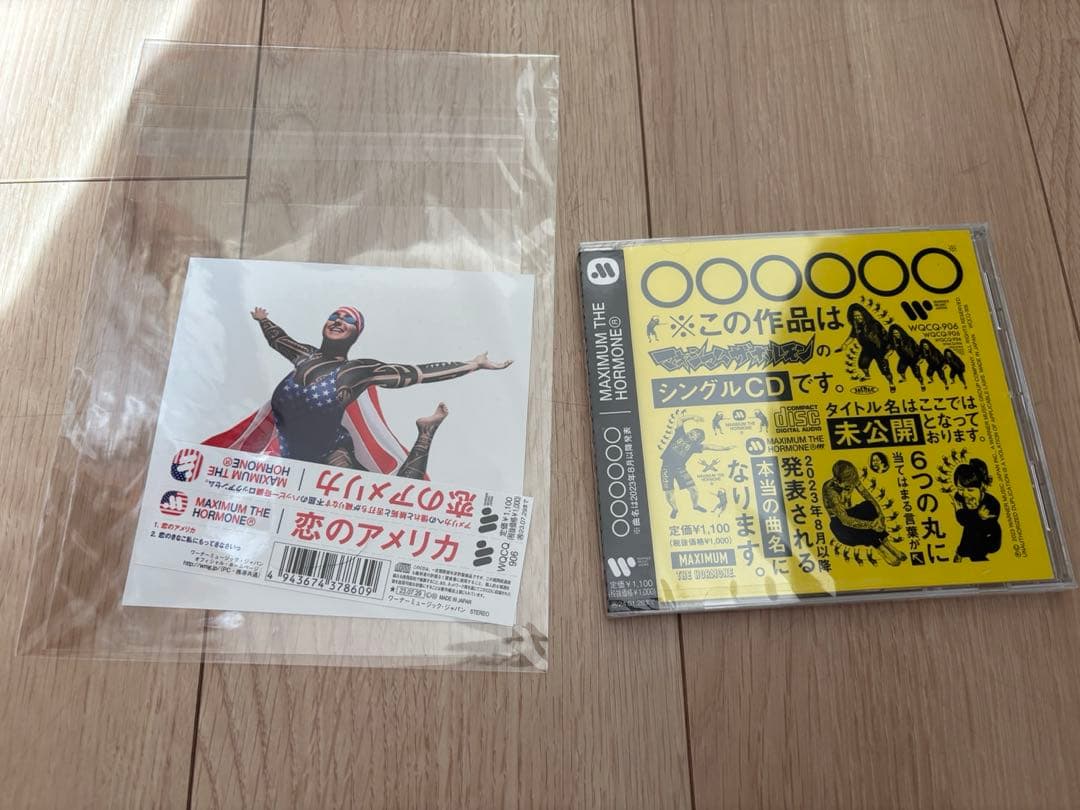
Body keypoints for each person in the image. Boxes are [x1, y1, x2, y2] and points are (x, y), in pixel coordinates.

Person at [205, 306, 511, 478]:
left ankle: (425, 434)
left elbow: (417, 372)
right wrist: (263, 320)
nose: (339, 320)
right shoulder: (303, 355)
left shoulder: (359, 371)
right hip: (291, 459)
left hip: (332, 456)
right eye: (335, 316)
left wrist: (472, 365)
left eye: (348, 319)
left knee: (393, 501)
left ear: (356, 332)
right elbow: (278, 339)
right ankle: (426, 432)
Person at [821, 460, 907, 566]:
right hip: (840, 525)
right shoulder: (830, 491)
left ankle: (887, 544)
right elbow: (845, 520)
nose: (851, 486)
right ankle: (880, 548)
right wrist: (872, 525)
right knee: (851, 524)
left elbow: (868, 496)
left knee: (868, 506)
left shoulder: (852, 479)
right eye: (848, 485)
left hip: (850, 514)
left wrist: (880, 516)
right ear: (837, 480)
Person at [660, 411, 732, 518]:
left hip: (680, 468)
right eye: (692, 431)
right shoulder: (680, 434)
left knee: (693, 489)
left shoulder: (695, 447)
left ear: (697, 440)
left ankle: (695, 505)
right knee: (669, 491)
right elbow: (680, 420)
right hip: (666, 467)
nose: (692, 433)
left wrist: (724, 448)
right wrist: (693, 416)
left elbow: (709, 446)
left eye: (695, 435)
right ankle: (674, 509)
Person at [952, 459, 1001, 561]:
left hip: (989, 538)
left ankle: (961, 553)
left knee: (972, 532)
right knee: (970, 528)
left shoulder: (991, 503)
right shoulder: (959, 497)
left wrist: (965, 513)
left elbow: (983, 525)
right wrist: (974, 514)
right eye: (960, 489)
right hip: (970, 537)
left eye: (970, 490)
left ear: (982, 487)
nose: (965, 494)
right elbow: (963, 521)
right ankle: (961, 553)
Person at [839, 303, 895, 392]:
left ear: (863, 314)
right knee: (862, 365)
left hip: (880, 350)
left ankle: (891, 383)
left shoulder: (874, 324)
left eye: (859, 315)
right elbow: (852, 336)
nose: (857, 318)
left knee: (885, 370)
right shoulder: (856, 325)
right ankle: (867, 376)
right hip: (867, 350)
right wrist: (845, 344)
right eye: (855, 316)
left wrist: (889, 351)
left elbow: (886, 336)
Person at [887, 323, 925, 391]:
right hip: (903, 359)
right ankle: (904, 378)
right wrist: (888, 354)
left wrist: (921, 358)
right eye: (894, 334)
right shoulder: (894, 341)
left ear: (900, 332)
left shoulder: (909, 339)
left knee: (917, 374)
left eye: (897, 333)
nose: (896, 335)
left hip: (913, 359)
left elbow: (917, 349)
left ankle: (922, 384)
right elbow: (892, 348)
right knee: (900, 370)